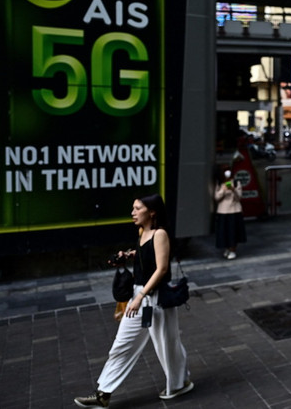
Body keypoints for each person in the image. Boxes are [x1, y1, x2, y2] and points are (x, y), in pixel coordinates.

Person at [74, 194, 192, 407]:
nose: (133, 212)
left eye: (138, 208)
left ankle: (179, 383)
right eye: (133, 208)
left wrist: (140, 296)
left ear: (152, 212)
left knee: (167, 345)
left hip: (154, 298)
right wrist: (129, 255)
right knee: (122, 345)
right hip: (139, 298)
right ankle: (103, 393)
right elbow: (146, 256)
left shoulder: (160, 234)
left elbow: (162, 269)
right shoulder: (142, 232)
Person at [215, 169, 246, 259]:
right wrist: (223, 190)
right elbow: (216, 197)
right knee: (224, 232)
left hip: (234, 210)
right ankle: (227, 248)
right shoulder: (219, 183)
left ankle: (233, 249)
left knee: (233, 232)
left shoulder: (236, 183)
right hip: (223, 211)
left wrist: (233, 190)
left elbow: (239, 197)